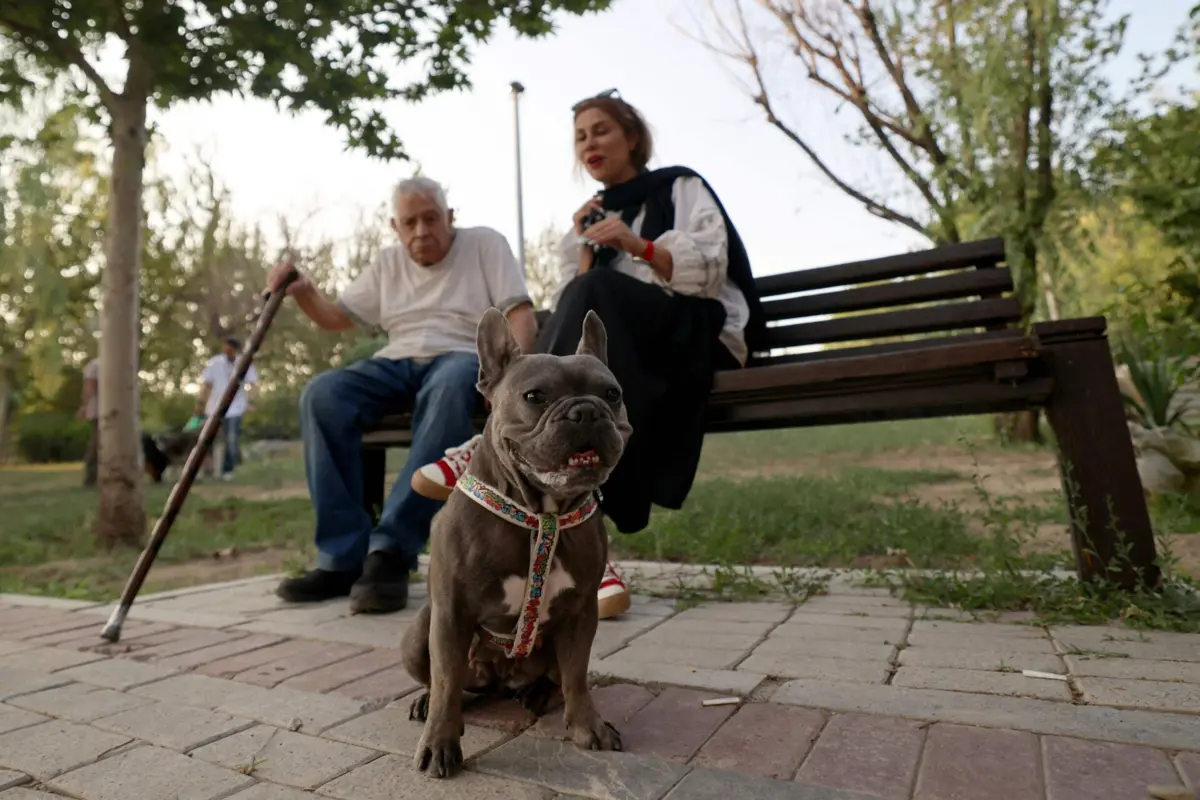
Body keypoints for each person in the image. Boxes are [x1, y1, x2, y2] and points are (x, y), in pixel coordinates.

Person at [413, 91, 765, 620]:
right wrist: (582, 251)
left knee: (598, 294)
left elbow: (710, 271)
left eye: (601, 130)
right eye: (580, 136)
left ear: (631, 136)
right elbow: (576, 320)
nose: (589, 143)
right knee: (590, 329)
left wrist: (635, 244)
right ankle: (590, 556)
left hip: (690, 332)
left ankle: (491, 439)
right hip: (622, 353)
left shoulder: (679, 186)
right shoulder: (588, 219)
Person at [266, 176, 538, 614]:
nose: (421, 232)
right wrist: (303, 290)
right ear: (395, 227)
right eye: (409, 223)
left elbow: (519, 314)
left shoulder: (485, 244)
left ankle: (391, 551)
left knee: (450, 385)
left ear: (450, 217)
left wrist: (511, 377)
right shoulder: (387, 263)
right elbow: (336, 317)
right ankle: (341, 559)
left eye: (431, 219)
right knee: (322, 394)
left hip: (461, 355)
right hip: (396, 360)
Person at [195, 336, 259, 482]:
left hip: (235, 407)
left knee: (232, 439)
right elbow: (206, 384)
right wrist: (199, 402)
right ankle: (206, 469)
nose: (227, 350)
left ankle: (227, 470)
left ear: (235, 350)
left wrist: (251, 402)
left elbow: (252, 384)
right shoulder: (214, 363)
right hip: (214, 407)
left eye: (230, 348)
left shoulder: (244, 362)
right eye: (225, 347)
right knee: (208, 439)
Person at [78, 357, 100, 487]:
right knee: (97, 445)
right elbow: (89, 387)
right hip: (103, 410)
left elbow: (89, 388)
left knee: (96, 445)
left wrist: (84, 407)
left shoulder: (95, 365)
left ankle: (91, 479)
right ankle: (91, 479)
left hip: (100, 411)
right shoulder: (96, 365)